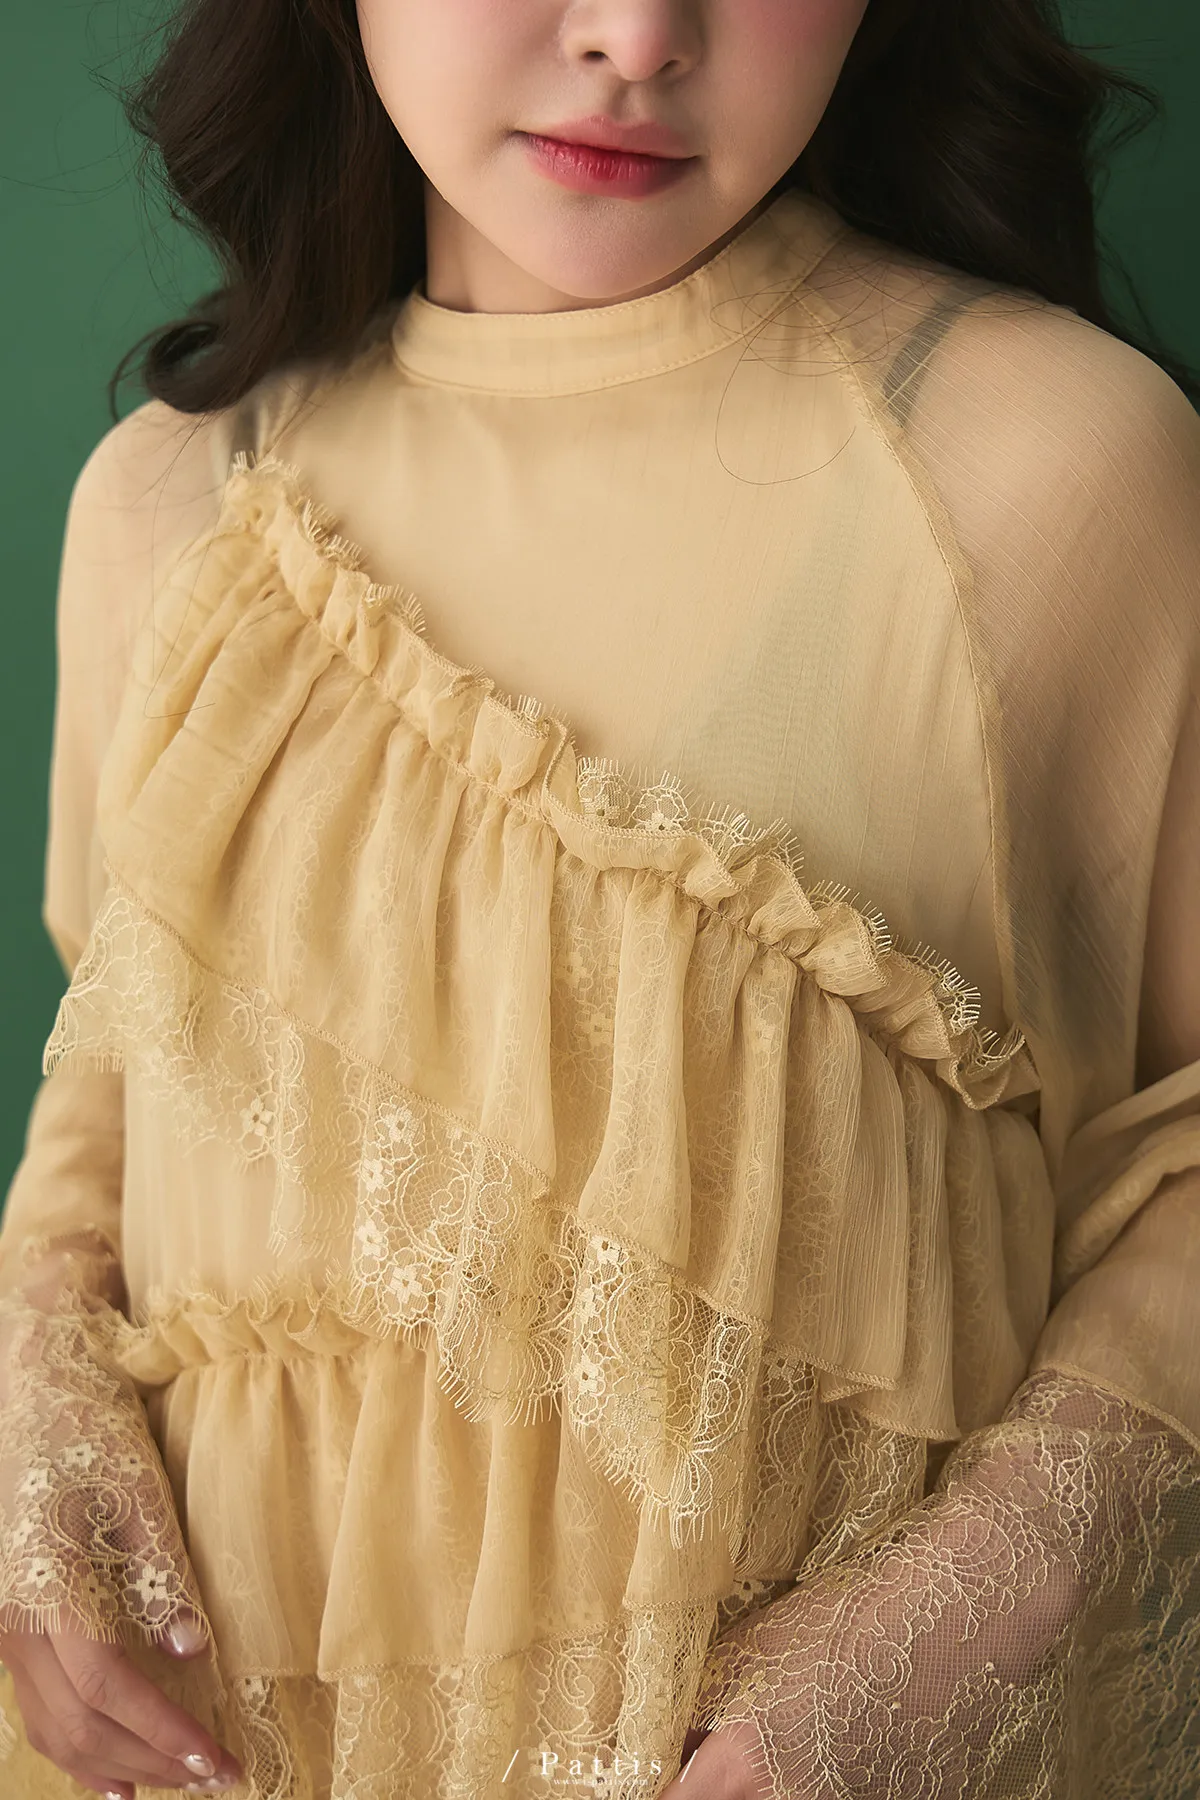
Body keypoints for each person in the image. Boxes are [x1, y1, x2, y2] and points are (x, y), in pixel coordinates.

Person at [0, 1, 1197, 1796]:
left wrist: (921, 1662)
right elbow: (118, 1072)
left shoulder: (1050, 466)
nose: (637, 37)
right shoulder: (169, 501)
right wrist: (30, 1414)